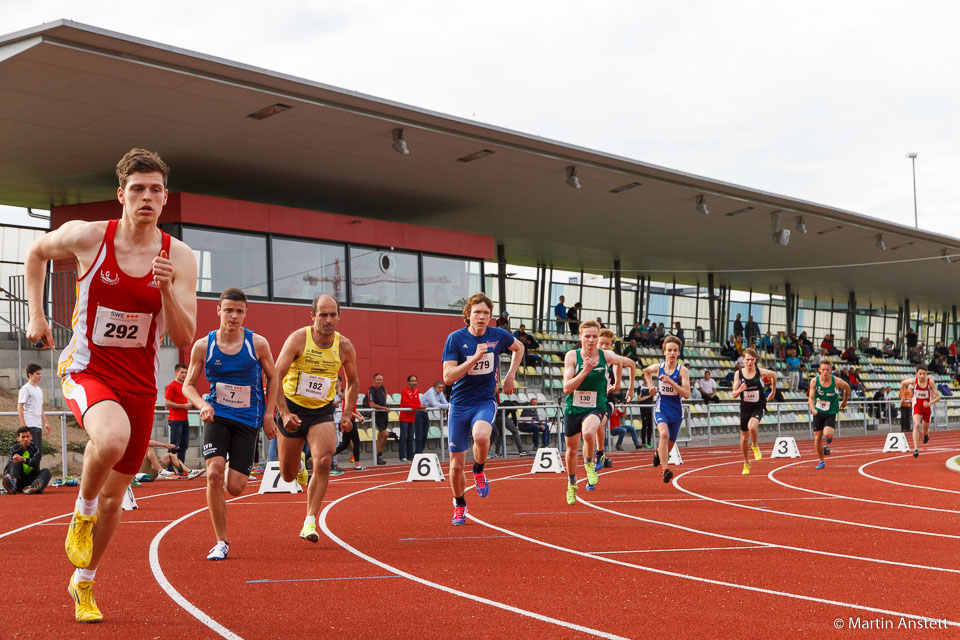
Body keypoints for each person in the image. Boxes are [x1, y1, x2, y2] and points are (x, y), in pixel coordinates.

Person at [25, 148, 197, 623]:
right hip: (87, 370)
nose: (147, 196)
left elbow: (185, 338)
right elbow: (36, 251)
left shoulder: (177, 256)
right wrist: (38, 314)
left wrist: (165, 290)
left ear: (165, 199)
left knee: (115, 499)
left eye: (156, 190)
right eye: (137, 188)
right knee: (112, 438)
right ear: (121, 194)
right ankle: (79, 513)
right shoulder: (88, 236)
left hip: (140, 384)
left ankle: (83, 583)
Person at [181, 288, 278, 560]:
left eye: (239, 311)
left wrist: (269, 414)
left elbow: (274, 378)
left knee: (235, 487)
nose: (234, 316)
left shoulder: (257, 344)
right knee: (213, 473)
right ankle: (221, 541)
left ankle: (227, 470)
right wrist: (203, 404)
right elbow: (188, 385)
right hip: (217, 415)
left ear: (245, 313)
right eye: (228, 310)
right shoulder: (204, 345)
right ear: (218, 311)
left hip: (248, 419)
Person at [273, 294, 362, 540]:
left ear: (339, 316)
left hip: (322, 411)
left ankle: (310, 520)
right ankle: (299, 464)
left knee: (324, 460)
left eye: (333, 314)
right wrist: (283, 412)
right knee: (288, 474)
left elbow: (353, 382)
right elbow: (275, 377)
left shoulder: (344, 346)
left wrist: (346, 413)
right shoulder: (298, 339)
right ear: (312, 316)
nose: (328, 320)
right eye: (323, 314)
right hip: (292, 407)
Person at [441, 293, 523, 525]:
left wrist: (509, 377)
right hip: (459, 405)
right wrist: (473, 360)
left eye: (486, 313)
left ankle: (478, 469)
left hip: (484, 401)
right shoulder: (455, 339)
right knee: (456, 467)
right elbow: (447, 377)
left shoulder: (498, 336)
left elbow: (519, 348)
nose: (482, 317)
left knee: (481, 436)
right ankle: (459, 504)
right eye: (477, 312)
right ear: (467, 315)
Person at [562, 321, 616, 503]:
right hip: (573, 408)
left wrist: (627, 386)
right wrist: (585, 371)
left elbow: (629, 363)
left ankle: (589, 464)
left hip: (596, 406)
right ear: (580, 337)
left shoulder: (605, 355)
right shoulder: (572, 356)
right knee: (570, 450)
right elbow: (566, 389)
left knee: (588, 432)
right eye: (587, 336)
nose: (591, 340)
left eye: (595, 336)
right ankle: (571, 484)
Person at [643, 336, 690, 483]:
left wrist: (671, 382)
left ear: (678, 352)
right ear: (664, 352)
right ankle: (665, 470)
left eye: (675, 350)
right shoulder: (659, 367)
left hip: (676, 411)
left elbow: (686, 394)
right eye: (669, 350)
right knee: (663, 434)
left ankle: (658, 453)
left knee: (669, 445)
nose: (672, 353)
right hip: (661, 408)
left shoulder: (683, 371)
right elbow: (646, 371)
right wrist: (651, 386)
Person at [595, 328, 635, 472]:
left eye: (608, 344)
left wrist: (630, 388)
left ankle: (599, 454)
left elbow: (631, 364)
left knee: (599, 423)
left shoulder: (614, 360)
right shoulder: (588, 357)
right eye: (602, 344)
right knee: (586, 432)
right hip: (588, 400)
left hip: (606, 400)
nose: (605, 347)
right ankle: (591, 460)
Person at [731, 348, 777, 475]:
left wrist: (773, 392)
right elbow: (733, 394)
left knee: (752, 427)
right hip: (745, 407)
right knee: (744, 437)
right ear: (743, 360)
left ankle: (755, 445)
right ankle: (746, 463)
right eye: (747, 360)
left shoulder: (760, 372)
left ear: (755, 360)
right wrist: (740, 389)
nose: (750, 362)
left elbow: (774, 375)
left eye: (752, 360)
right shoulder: (738, 374)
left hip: (759, 405)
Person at [808, 360, 850, 469]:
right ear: (819, 370)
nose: (825, 372)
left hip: (831, 411)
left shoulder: (836, 381)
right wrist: (812, 409)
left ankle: (829, 437)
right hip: (818, 411)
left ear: (831, 370)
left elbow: (847, 388)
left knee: (827, 434)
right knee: (817, 439)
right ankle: (821, 461)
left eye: (827, 370)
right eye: (823, 370)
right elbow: (811, 398)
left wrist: (845, 401)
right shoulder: (814, 381)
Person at [900, 363, 939, 458]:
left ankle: (926, 435)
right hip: (917, 406)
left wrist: (930, 403)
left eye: (924, 374)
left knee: (924, 431)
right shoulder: (914, 381)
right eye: (920, 374)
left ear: (927, 373)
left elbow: (938, 397)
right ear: (917, 373)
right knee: (916, 425)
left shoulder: (930, 382)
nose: (922, 376)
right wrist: (903, 397)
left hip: (927, 408)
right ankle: (916, 449)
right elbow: (903, 383)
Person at [2, 427, 52, 495]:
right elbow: (10, 464)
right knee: (15, 461)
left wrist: (23, 459)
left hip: (32, 480)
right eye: (23, 437)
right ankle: (13, 486)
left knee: (46, 471)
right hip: (20, 481)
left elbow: (35, 462)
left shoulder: (36, 448)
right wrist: (7, 474)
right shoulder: (15, 449)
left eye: (27, 436)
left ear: (31, 437)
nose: (26, 439)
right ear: (18, 438)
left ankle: (33, 488)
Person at [164, 363, 192, 467]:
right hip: (175, 420)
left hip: (184, 419)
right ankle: (170, 469)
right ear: (176, 373)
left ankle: (181, 469)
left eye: (185, 372)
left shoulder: (185, 386)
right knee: (174, 445)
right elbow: (166, 403)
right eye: (182, 372)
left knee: (184, 445)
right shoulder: (171, 386)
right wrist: (183, 406)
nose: (184, 374)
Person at [333, 380, 364, 471]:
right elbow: (348, 411)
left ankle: (329, 455)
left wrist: (360, 415)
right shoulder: (348, 397)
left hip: (349, 420)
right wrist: (358, 417)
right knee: (356, 442)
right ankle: (357, 465)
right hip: (349, 421)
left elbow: (354, 409)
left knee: (345, 444)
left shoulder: (351, 397)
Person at [17, 364, 51, 450]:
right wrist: (24, 427)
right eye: (37, 374)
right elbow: (20, 407)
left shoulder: (39, 389)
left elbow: (40, 407)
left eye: (40, 374)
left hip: (38, 425)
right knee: (32, 452)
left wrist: (46, 422)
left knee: (37, 453)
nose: (40, 376)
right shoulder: (26, 388)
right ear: (30, 375)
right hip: (30, 424)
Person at [365, 374, 389, 465]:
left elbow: (385, 398)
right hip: (377, 414)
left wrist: (385, 408)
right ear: (374, 380)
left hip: (384, 414)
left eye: (381, 380)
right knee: (385, 434)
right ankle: (379, 454)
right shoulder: (371, 390)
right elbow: (371, 404)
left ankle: (378, 455)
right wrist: (383, 407)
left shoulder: (383, 388)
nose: (379, 381)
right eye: (378, 379)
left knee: (380, 435)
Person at [398, 375, 421, 462]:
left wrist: (418, 406)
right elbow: (407, 404)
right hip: (404, 418)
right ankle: (402, 457)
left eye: (415, 380)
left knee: (411, 437)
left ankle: (410, 457)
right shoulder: (405, 391)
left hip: (412, 418)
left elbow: (417, 402)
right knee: (403, 437)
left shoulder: (416, 391)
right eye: (412, 381)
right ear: (408, 382)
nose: (414, 382)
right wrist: (418, 406)